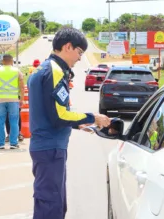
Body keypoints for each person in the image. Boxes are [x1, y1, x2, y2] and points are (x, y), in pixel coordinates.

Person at [27, 28, 111, 219]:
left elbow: (50, 112)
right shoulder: (55, 71)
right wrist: (92, 117)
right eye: (80, 52)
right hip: (50, 148)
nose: (80, 58)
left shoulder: (44, 68)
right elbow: (59, 115)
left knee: (51, 202)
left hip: (47, 147)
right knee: (51, 206)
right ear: (67, 47)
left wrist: (77, 124)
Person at [0, 54, 24, 149]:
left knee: (0, 121)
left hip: (0, 100)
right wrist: (22, 99)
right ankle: (13, 143)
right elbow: (21, 85)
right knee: (14, 121)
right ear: (12, 61)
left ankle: (0, 144)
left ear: (2, 61)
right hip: (13, 100)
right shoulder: (17, 71)